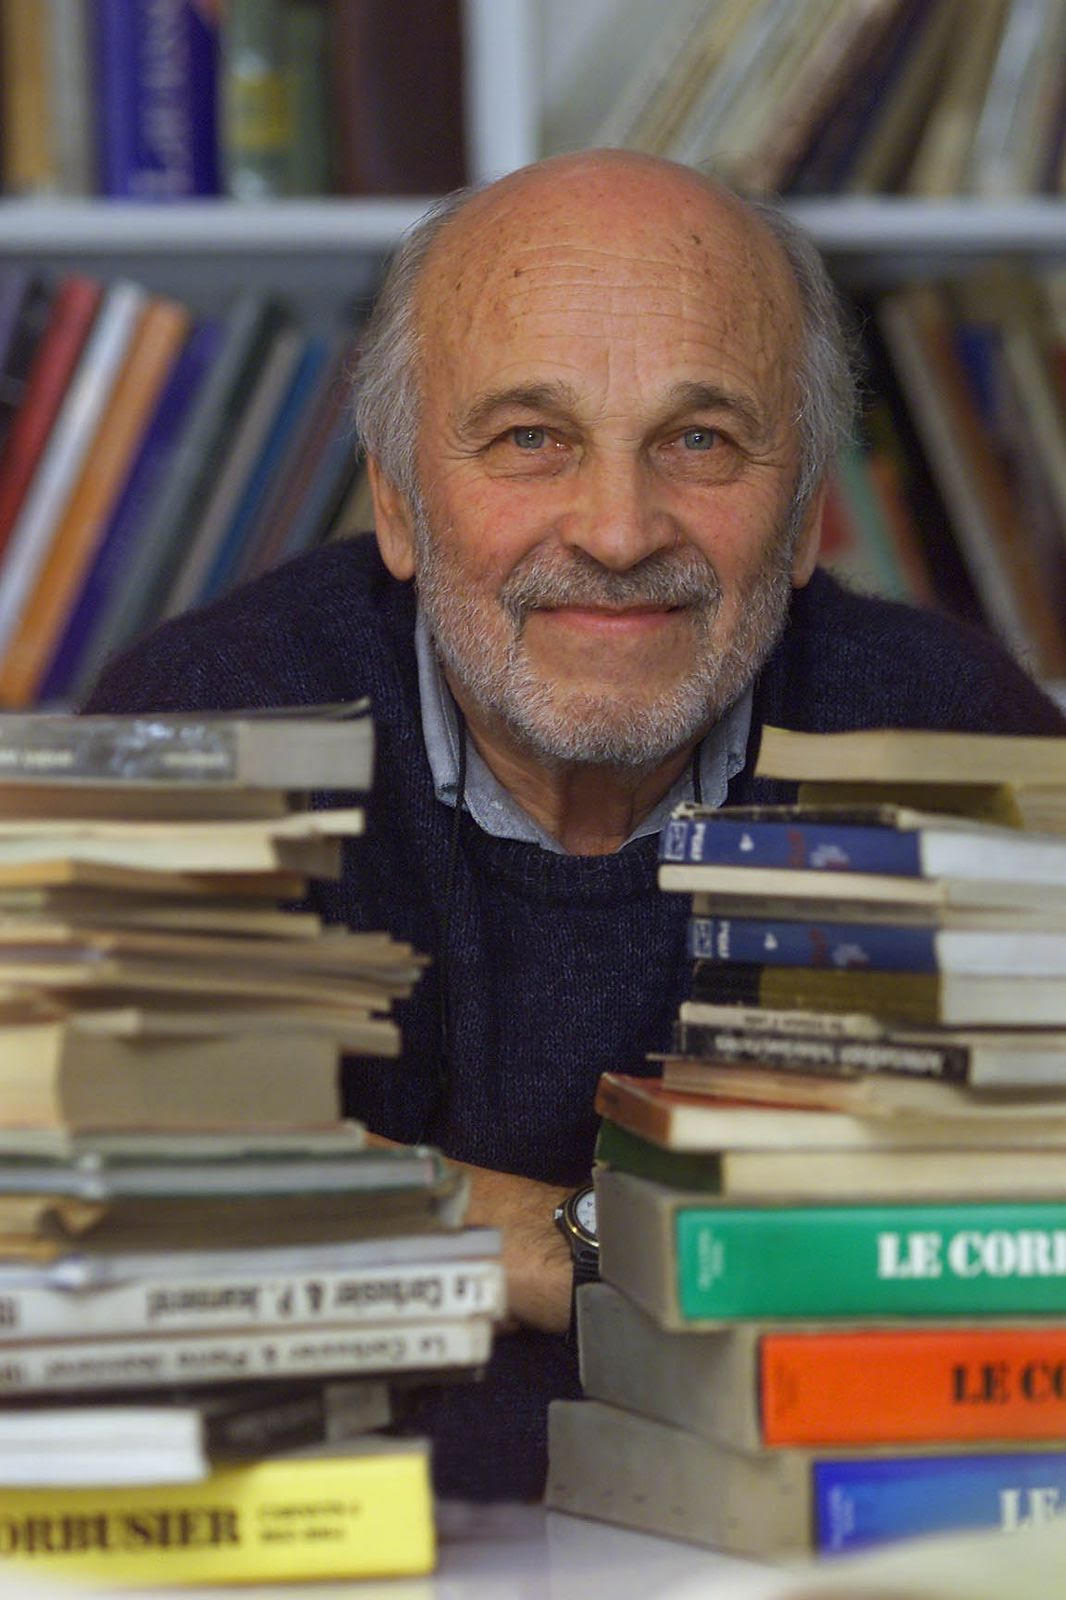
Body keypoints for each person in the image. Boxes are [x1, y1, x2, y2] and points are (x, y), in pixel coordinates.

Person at [85, 151, 1065, 1499]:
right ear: (398, 501)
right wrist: (596, 1246)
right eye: (528, 439)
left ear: (802, 516)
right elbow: (99, 1239)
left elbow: (987, 1296)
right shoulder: (198, 733)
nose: (615, 531)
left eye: (699, 439)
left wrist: (395, 1216)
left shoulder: (954, 746)